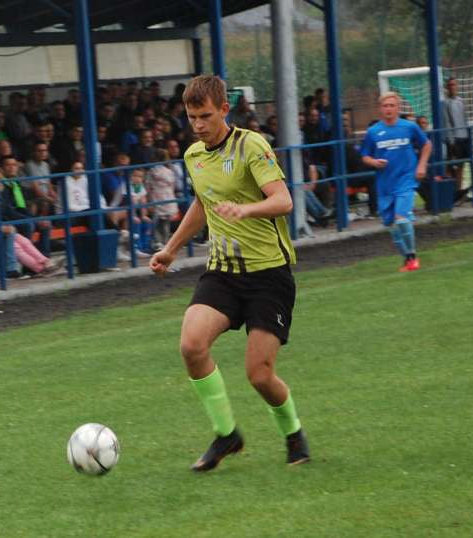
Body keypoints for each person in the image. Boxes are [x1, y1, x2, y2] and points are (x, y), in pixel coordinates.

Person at [149, 74, 309, 472]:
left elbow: (283, 200)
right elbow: (202, 204)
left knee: (259, 375)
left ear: (224, 109)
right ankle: (227, 434)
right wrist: (170, 249)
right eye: (191, 117)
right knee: (191, 346)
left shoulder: (252, 145)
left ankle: (293, 434)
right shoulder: (193, 156)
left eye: (205, 115)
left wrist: (247, 208)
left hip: (268, 275)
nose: (199, 125)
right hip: (222, 272)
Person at [359, 92, 432, 272]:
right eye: (385, 106)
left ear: (398, 108)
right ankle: (408, 259)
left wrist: (421, 165)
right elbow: (364, 156)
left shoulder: (409, 127)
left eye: (392, 105)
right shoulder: (373, 132)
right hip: (385, 184)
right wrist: (374, 162)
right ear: (380, 109)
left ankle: (413, 257)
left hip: (406, 180)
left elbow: (427, 144)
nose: (388, 109)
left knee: (402, 219)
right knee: (392, 227)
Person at [441, 77, 471, 202]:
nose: (453, 87)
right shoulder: (445, 103)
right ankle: (450, 193)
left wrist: (468, 136)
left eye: (454, 85)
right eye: (450, 85)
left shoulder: (460, 101)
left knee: (461, 166)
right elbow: (447, 122)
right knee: (449, 167)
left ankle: (459, 193)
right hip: (453, 139)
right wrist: (451, 141)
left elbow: (465, 119)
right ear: (447, 87)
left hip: (463, 137)